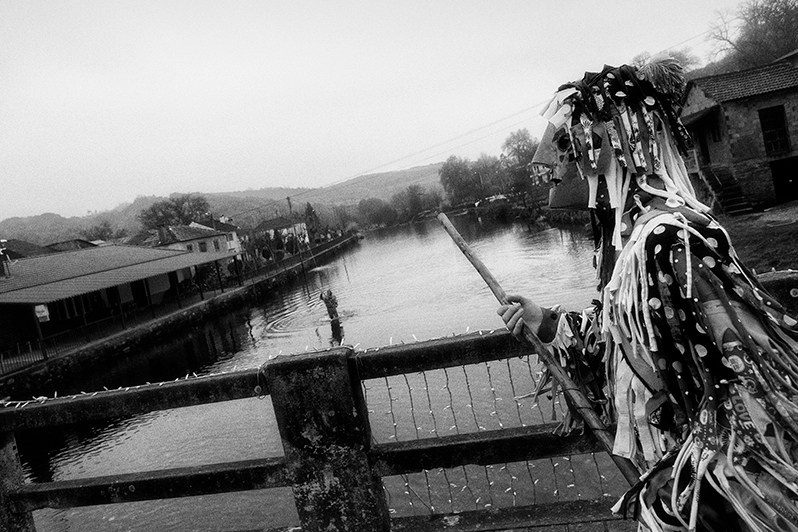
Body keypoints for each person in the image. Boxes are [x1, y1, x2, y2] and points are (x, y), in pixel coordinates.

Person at [497, 59, 798, 531]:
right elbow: (627, 340)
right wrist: (548, 323)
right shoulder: (628, 242)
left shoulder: (667, 238)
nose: (569, 164)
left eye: (581, 146)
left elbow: (746, 377)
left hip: (722, 493)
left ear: (619, 145)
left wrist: (679, 491)